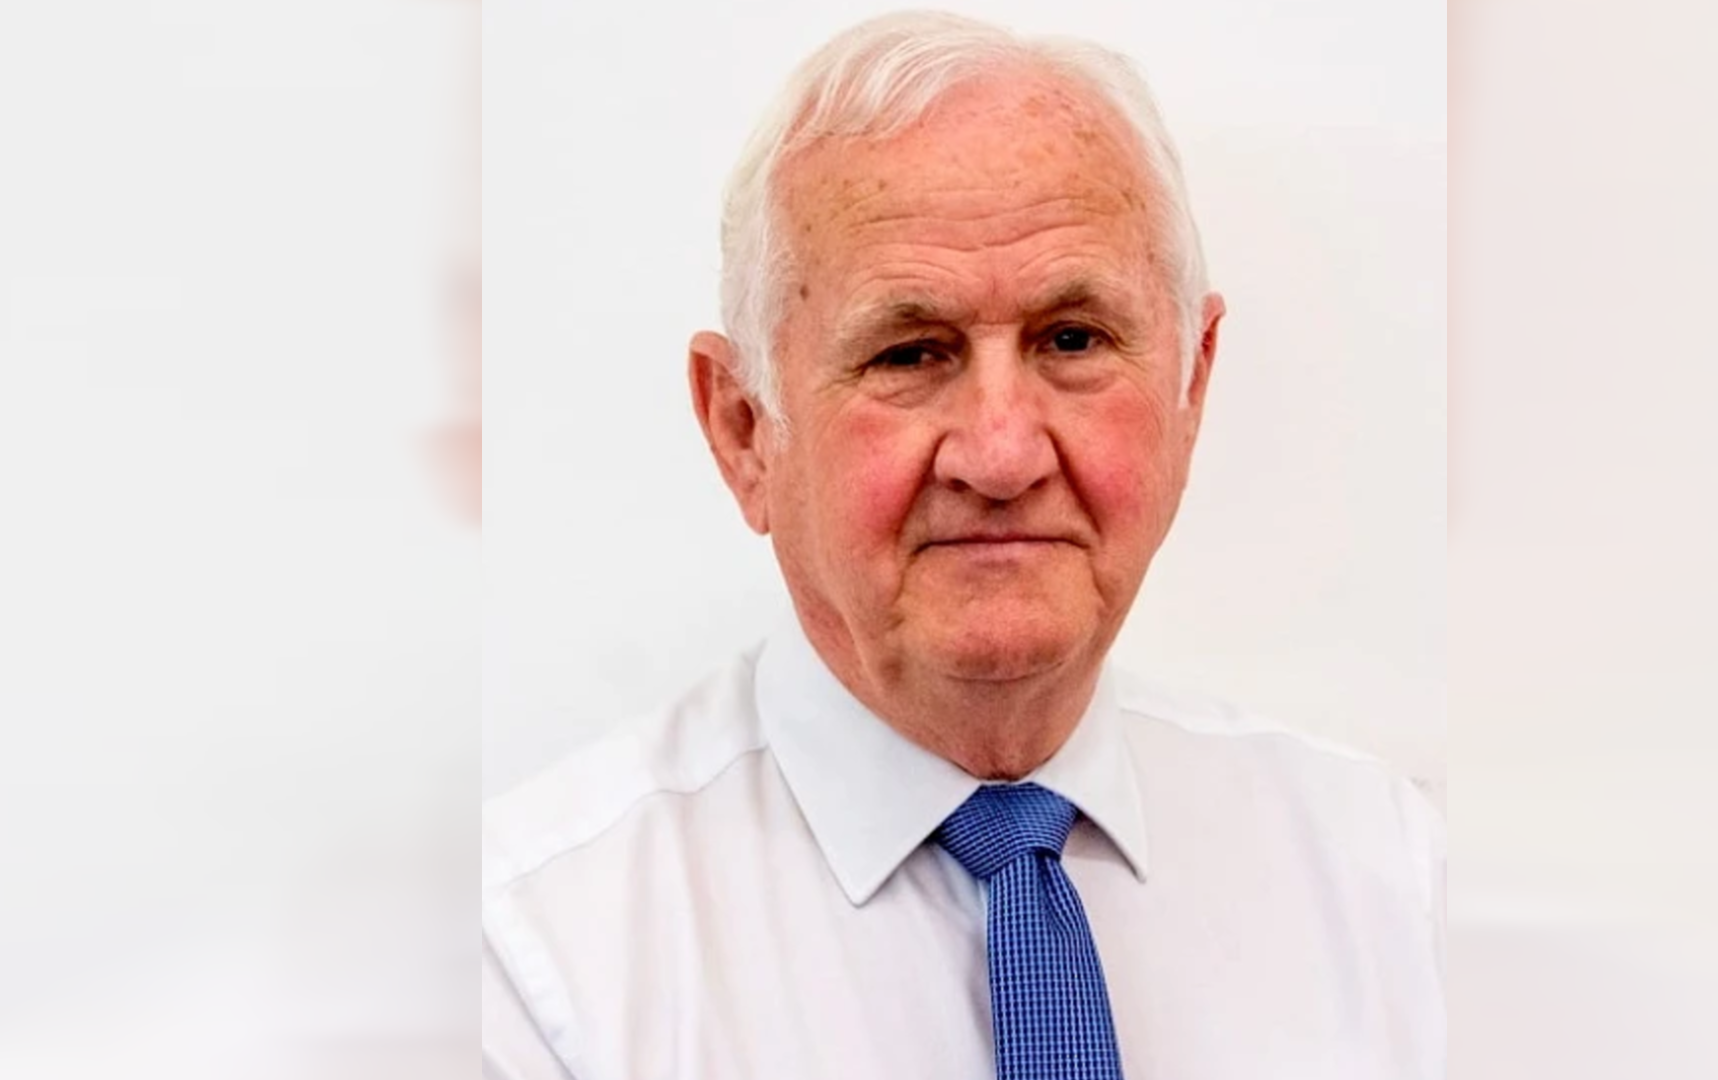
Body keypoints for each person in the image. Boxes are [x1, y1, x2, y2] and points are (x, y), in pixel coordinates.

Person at [482, 11, 1442, 1079]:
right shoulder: (532, 972)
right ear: (744, 430)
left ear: (1192, 384)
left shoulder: (1398, 885)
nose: (1000, 453)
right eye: (909, 352)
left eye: (1073, 339)